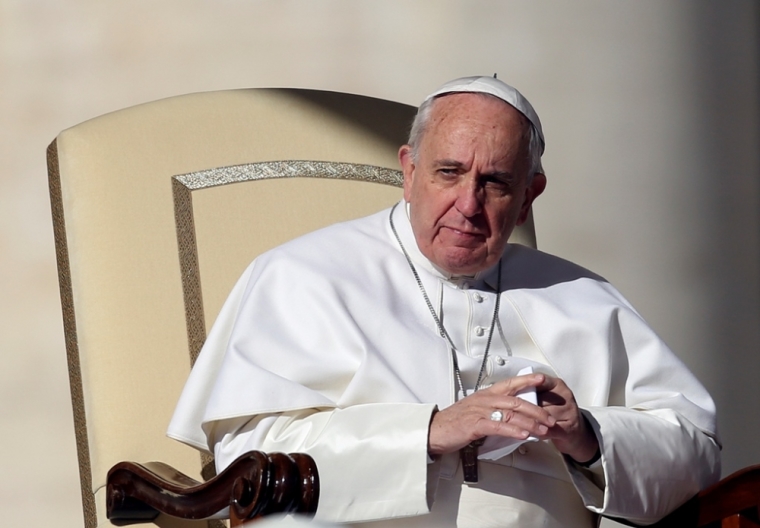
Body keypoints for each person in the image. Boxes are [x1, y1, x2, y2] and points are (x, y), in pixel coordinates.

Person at [168, 76, 721, 527]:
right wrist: (428, 432)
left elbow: (695, 454)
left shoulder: (585, 298)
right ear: (409, 173)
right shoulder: (300, 277)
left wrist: (588, 438)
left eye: (497, 183)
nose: (468, 204)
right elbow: (250, 464)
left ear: (529, 197)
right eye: (449, 173)